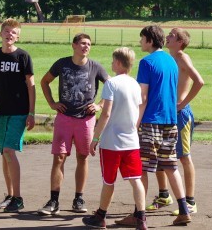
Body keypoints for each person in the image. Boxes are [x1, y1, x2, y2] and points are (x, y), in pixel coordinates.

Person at [116, 25, 192, 226]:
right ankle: (184, 209)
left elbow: (143, 97)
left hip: (151, 121)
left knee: (141, 168)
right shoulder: (171, 60)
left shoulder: (146, 62)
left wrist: (135, 123)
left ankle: (138, 214)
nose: (140, 42)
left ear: (150, 40)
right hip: (170, 120)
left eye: (142, 39)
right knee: (170, 165)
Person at [37, 33, 109, 216]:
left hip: (86, 120)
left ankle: (79, 198)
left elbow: (111, 87)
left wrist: (99, 105)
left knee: (83, 157)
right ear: (74, 45)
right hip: (64, 118)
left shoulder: (95, 67)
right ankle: (53, 201)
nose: (86, 47)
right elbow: (44, 81)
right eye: (83, 43)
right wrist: (52, 103)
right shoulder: (62, 64)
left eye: (89, 44)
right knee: (59, 157)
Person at [82, 47, 148, 230]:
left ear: (118, 63)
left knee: (108, 181)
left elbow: (106, 113)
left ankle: (101, 216)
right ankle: (141, 218)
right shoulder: (135, 84)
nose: (111, 64)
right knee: (136, 179)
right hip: (131, 141)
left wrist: (95, 138)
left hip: (112, 142)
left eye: (113, 61)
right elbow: (138, 109)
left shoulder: (111, 83)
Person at [147, 28, 204, 216]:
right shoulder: (168, 58)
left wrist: (183, 103)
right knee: (159, 154)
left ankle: (190, 201)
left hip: (180, 114)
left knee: (184, 157)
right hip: (166, 114)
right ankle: (164, 195)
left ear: (180, 42)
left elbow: (199, 81)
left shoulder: (181, 57)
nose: (167, 37)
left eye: (171, 35)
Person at [0, 18, 36, 213]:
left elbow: (31, 86)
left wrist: (31, 112)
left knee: (8, 151)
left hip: (19, 111)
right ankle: (10, 195)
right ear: (0, 34)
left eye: (13, 32)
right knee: (4, 154)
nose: (9, 35)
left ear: (18, 36)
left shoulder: (23, 56)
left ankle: (18, 198)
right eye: (6, 31)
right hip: (2, 111)